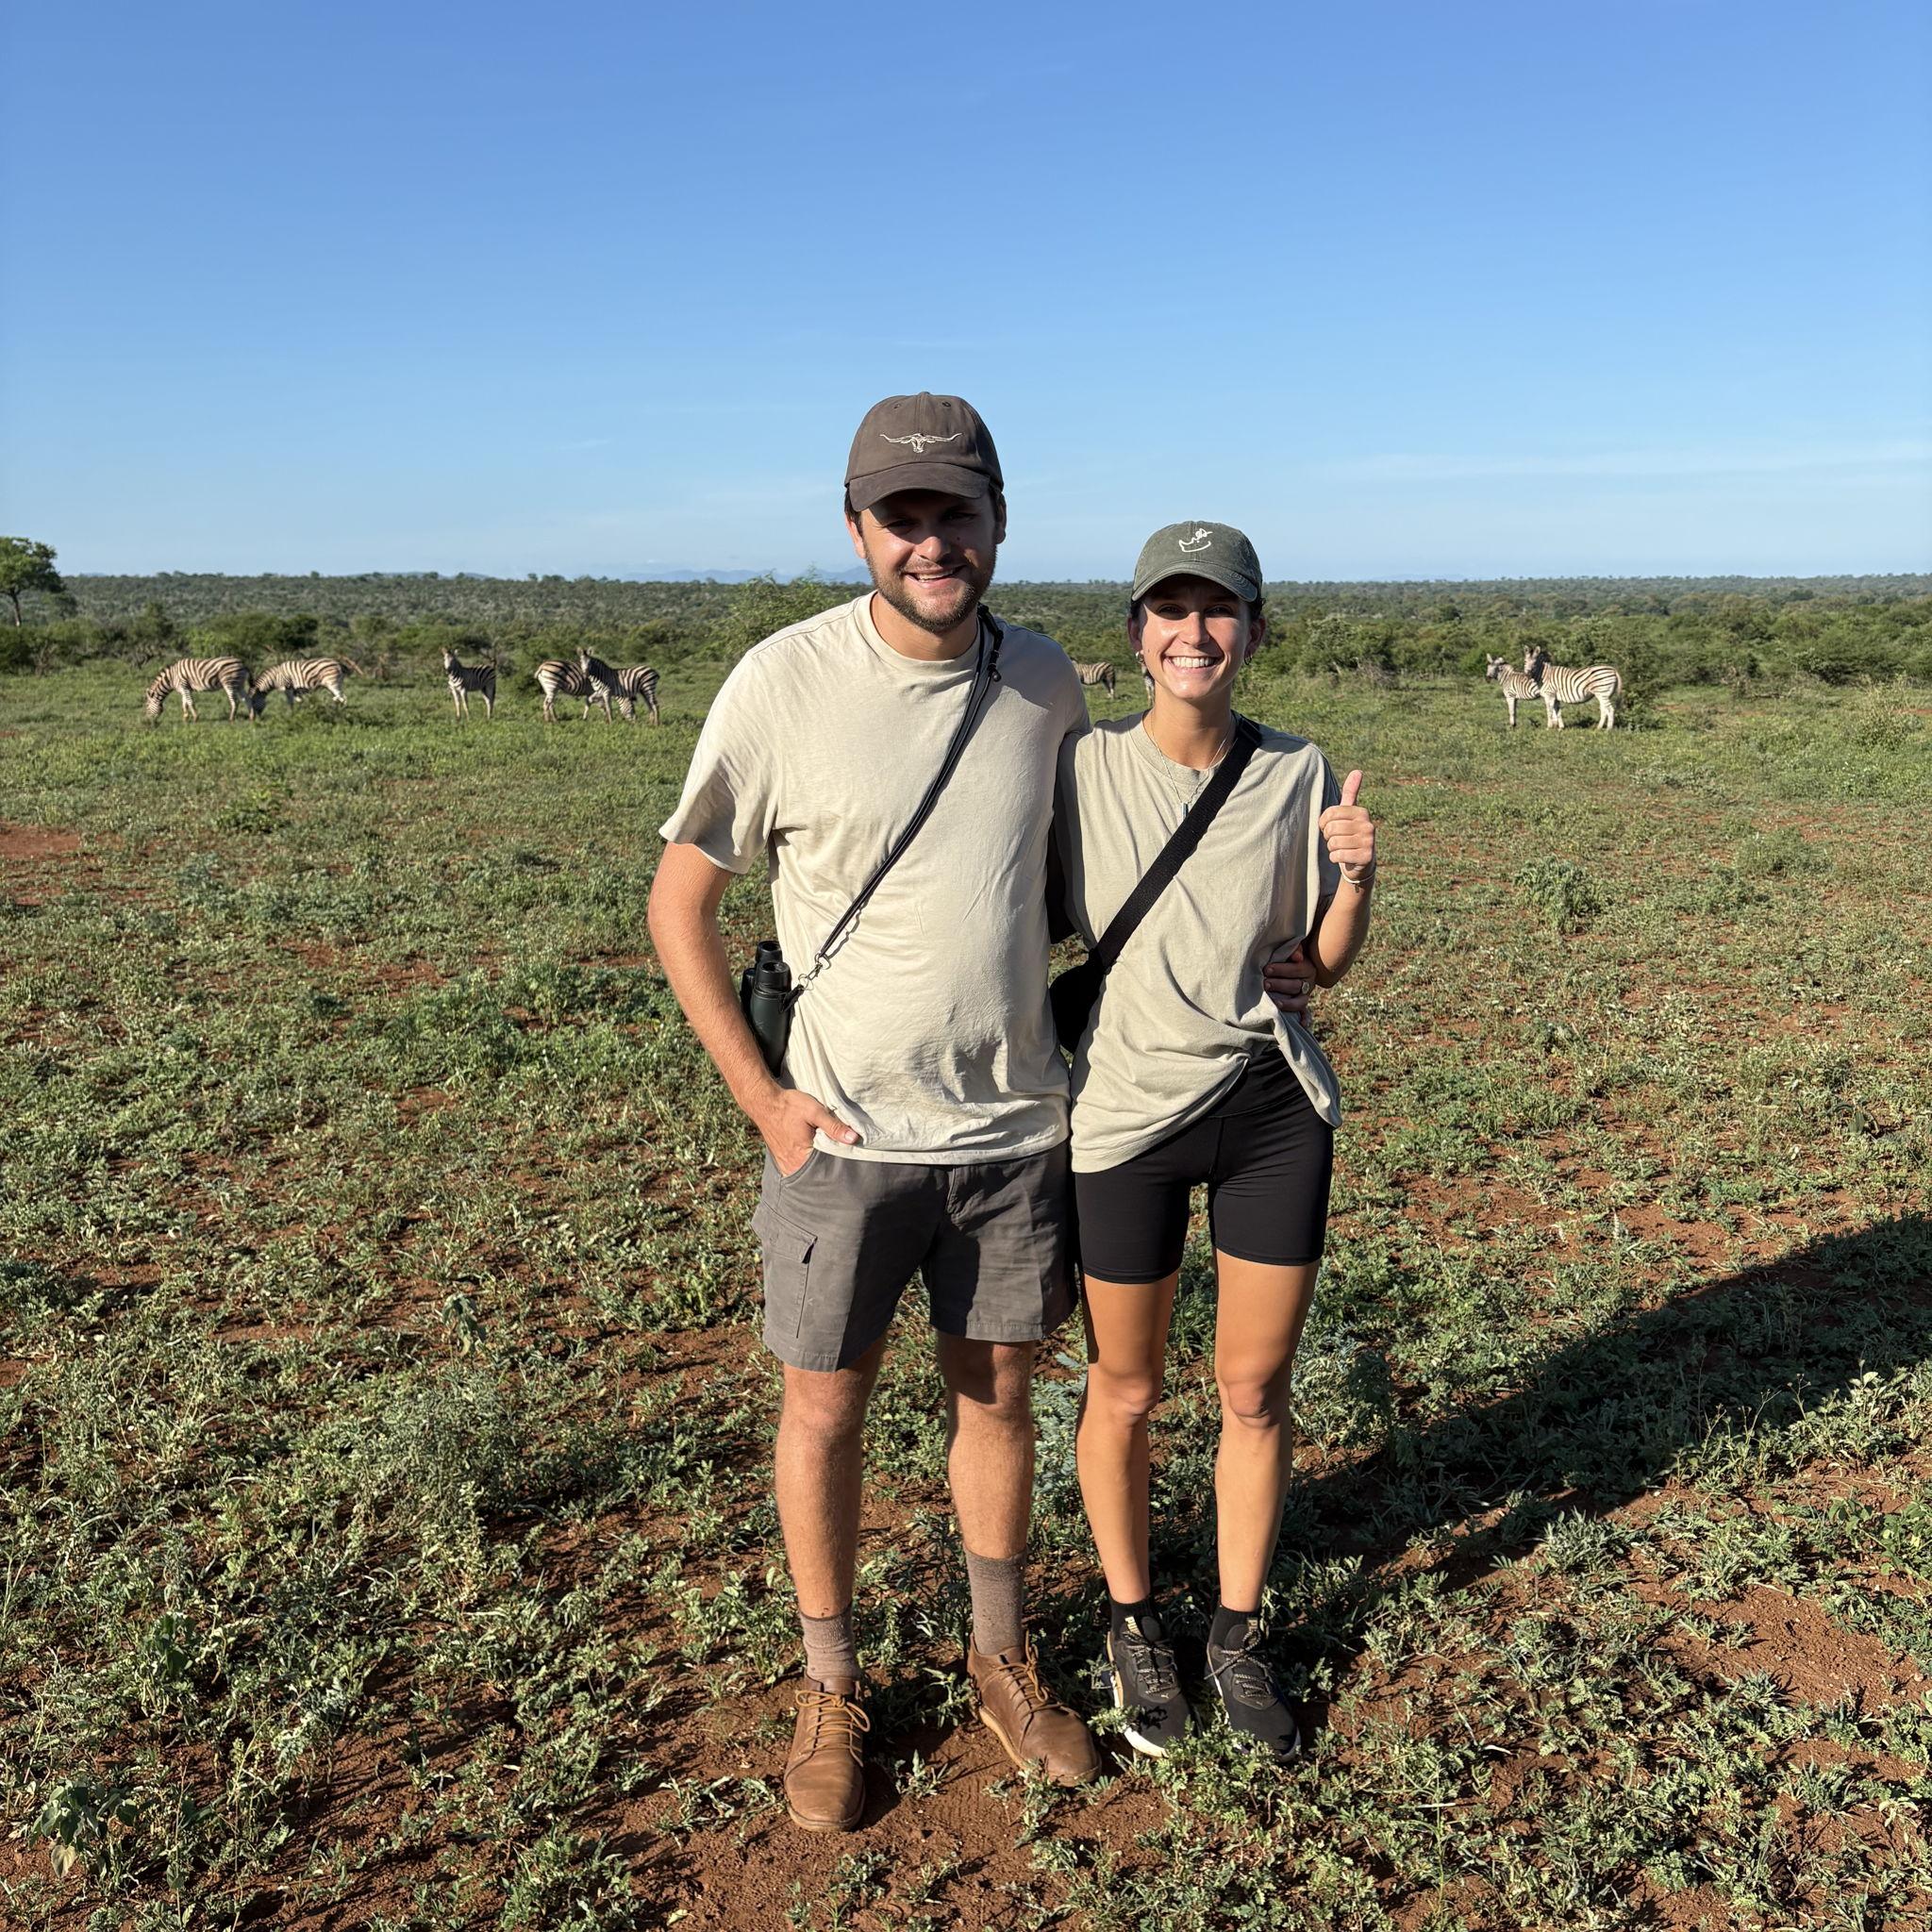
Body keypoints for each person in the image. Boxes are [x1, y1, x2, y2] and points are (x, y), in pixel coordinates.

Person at [646, 393, 1102, 1832]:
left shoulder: (1048, 683)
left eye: (954, 512)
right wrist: (763, 1102)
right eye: (900, 517)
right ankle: (832, 1684)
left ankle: (999, 1658)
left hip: (1013, 1134)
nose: (929, 541)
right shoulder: (780, 682)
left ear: (999, 521)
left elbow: (1095, 887)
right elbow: (679, 904)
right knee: (823, 1410)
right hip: (840, 1142)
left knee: (1000, 1398)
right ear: (855, 531)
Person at [1054, 520, 1376, 1760]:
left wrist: (1353, 879)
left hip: (1268, 1108)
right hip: (1123, 1115)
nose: (1196, 633)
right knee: (1125, 1387)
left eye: (1220, 609)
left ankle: (1236, 1636)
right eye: (1170, 610)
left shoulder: (1299, 773)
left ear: (1253, 628)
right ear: (1136, 635)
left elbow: (1319, 969)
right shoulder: (1079, 772)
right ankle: (1136, 1627)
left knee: (1251, 1387)